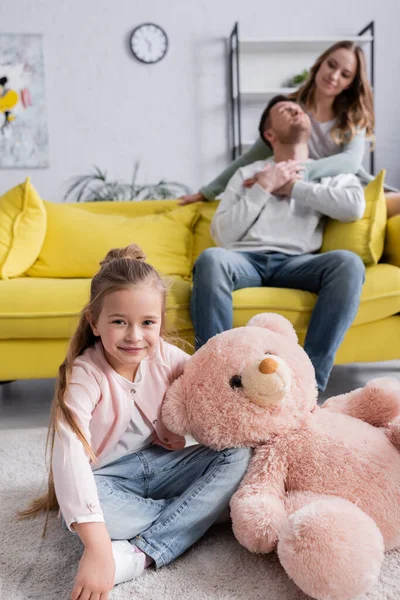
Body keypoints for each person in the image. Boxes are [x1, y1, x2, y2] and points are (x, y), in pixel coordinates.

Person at [20, 244, 250, 600]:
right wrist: (97, 549)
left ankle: (143, 547)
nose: (134, 336)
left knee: (238, 455)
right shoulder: (86, 374)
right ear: (94, 322)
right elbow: (70, 455)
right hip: (106, 481)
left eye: (147, 323)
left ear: (159, 322)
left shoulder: (166, 356)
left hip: (158, 465)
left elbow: (216, 382)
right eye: (119, 322)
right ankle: (198, 514)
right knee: (94, 519)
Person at [190, 95, 366, 393]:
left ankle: (307, 384)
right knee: (211, 259)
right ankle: (218, 381)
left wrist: (294, 186)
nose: (296, 110)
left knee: (348, 264)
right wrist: (265, 186)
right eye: (285, 110)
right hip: (245, 260)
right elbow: (223, 234)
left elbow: (354, 207)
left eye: (299, 109)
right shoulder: (248, 174)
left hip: (300, 262)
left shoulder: (327, 173)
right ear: (269, 134)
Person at [180, 40, 400, 217]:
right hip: (307, 194)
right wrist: (206, 193)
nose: (334, 76)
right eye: (331, 65)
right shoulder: (290, 111)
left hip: (345, 189)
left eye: (345, 74)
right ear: (320, 63)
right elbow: (248, 158)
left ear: (351, 83)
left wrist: (298, 171)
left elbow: (350, 162)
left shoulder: (352, 116)